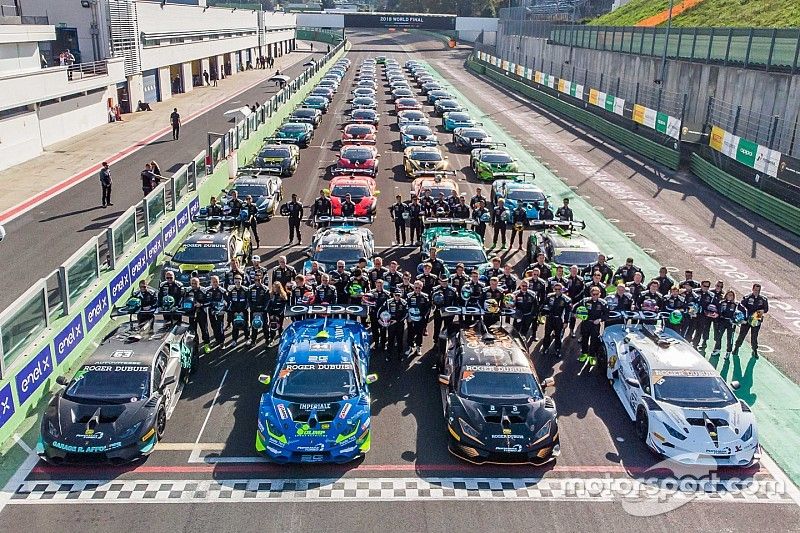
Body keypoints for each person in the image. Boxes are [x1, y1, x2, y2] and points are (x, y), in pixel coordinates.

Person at [574, 286, 608, 367]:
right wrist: (575, 314)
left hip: (595, 325)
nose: (595, 296)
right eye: (593, 294)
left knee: (594, 341)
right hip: (586, 323)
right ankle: (584, 354)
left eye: (597, 294)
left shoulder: (603, 303)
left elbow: (607, 315)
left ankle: (592, 356)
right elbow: (575, 306)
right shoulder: (585, 301)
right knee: (584, 339)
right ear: (591, 294)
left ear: (599, 294)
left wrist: (600, 320)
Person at [733, 283, 768, 359]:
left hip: (756, 318)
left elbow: (766, 309)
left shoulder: (763, 299)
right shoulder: (747, 298)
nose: (757, 292)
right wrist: (745, 315)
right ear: (752, 289)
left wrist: (761, 311)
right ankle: (736, 348)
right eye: (755, 290)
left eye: (758, 291)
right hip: (747, 319)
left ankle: (754, 350)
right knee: (742, 335)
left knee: (754, 337)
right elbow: (740, 306)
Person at [541, 282, 571, 357]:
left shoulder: (566, 299)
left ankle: (557, 350)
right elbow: (544, 305)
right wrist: (543, 313)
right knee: (547, 334)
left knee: (558, 336)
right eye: (556, 289)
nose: (557, 291)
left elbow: (568, 311)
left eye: (559, 289)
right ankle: (545, 348)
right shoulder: (549, 296)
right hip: (550, 318)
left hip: (559, 319)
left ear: (562, 290)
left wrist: (566, 322)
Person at [183, 277, 211, 352]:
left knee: (204, 329)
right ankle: (196, 345)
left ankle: (206, 344)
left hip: (202, 313)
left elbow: (209, 302)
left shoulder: (204, 291)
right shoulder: (188, 291)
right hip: (191, 313)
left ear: (199, 283)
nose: (194, 285)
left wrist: (201, 304)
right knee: (193, 330)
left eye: (195, 283)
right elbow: (184, 301)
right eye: (192, 283)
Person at [431, 276, 458, 351]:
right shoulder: (435, 289)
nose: (444, 283)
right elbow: (432, 300)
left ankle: (447, 341)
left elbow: (456, 301)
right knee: (437, 327)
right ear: (440, 281)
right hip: (438, 311)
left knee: (448, 327)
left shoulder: (452, 290)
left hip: (448, 312)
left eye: (445, 281)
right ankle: (436, 341)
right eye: (442, 281)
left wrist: (453, 311)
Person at [405, 281, 431, 358]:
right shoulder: (409, 296)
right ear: (413, 287)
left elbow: (428, 308)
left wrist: (423, 317)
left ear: (421, 288)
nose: (417, 289)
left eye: (419, 288)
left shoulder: (425, 296)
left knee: (419, 333)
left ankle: (418, 347)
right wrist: (408, 317)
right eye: (416, 287)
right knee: (410, 333)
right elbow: (406, 307)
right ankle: (410, 347)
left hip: (420, 319)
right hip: (411, 318)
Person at [381, 290, 408, 361]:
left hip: (400, 324)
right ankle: (389, 354)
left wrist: (397, 320)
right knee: (390, 340)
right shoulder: (388, 302)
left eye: (398, 295)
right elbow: (381, 310)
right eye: (396, 295)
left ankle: (400, 355)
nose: (397, 297)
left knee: (399, 340)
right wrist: (382, 319)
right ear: (393, 295)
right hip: (391, 324)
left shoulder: (404, 302)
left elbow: (406, 314)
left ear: (401, 295)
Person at [712, 290, 739, 359]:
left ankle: (728, 352)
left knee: (729, 338)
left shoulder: (736, 305)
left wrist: (735, 320)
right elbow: (718, 311)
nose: (730, 296)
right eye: (729, 295)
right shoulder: (722, 302)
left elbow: (738, 314)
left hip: (731, 323)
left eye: (731, 295)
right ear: (726, 295)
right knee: (719, 336)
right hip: (722, 321)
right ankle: (717, 349)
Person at [225, 274, 249, 349]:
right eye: (236, 282)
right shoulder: (231, 290)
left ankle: (247, 338)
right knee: (235, 326)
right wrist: (234, 311)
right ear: (234, 282)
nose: (237, 283)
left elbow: (248, 301)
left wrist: (243, 310)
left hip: (243, 311)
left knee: (245, 326)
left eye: (239, 282)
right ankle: (234, 340)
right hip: (234, 311)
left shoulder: (245, 290)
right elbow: (229, 301)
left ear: (241, 281)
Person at [248, 272, 269, 347]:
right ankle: (253, 341)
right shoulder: (250, 288)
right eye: (256, 280)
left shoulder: (265, 289)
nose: (257, 281)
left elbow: (267, 300)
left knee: (265, 326)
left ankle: (267, 340)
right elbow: (249, 299)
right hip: (254, 310)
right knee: (254, 326)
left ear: (262, 280)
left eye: (259, 280)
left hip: (262, 311)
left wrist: (263, 309)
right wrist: (252, 307)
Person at [368, 279, 391, 351]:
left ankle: (383, 344)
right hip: (374, 314)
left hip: (383, 315)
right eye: (378, 285)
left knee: (383, 330)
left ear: (383, 285)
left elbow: (390, 304)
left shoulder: (387, 293)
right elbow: (367, 302)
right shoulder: (371, 293)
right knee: (374, 330)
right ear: (375, 285)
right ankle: (376, 343)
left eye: (380, 285)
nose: (379, 287)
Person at [206, 276, 228, 348]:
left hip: (220, 310)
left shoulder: (222, 291)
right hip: (211, 310)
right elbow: (206, 300)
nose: (215, 283)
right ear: (211, 282)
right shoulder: (208, 290)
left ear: (219, 282)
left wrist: (224, 310)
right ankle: (217, 339)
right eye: (213, 282)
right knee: (213, 326)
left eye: (216, 281)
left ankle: (222, 342)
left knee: (220, 326)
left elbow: (228, 301)